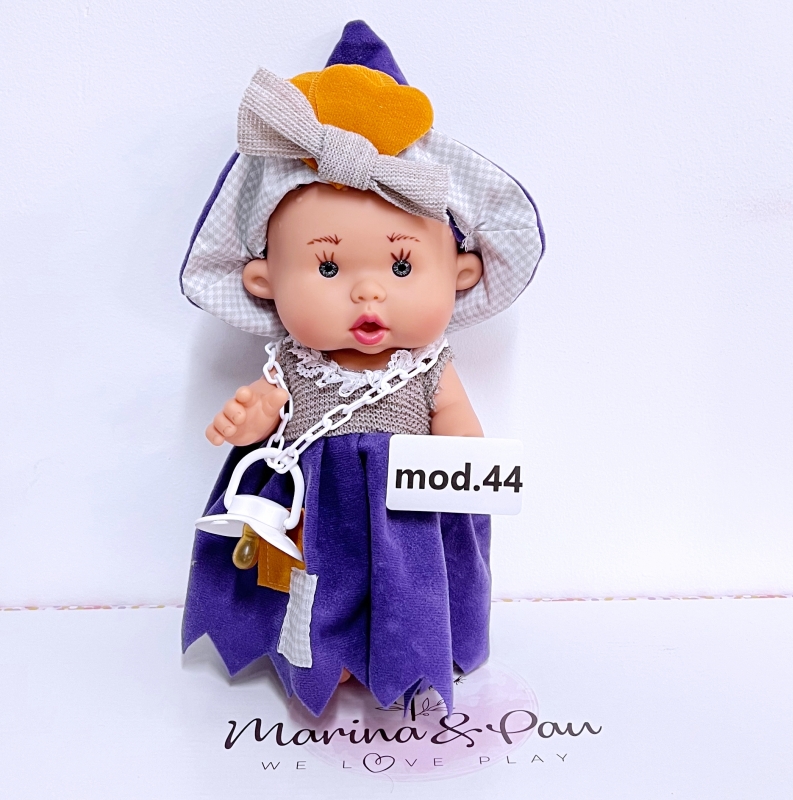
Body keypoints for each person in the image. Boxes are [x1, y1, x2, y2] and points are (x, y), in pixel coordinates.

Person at [180, 21, 544, 717]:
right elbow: (270, 406)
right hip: (310, 504)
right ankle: (319, 656)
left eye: (402, 266)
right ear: (264, 282)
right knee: (312, 581)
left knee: (405, 586)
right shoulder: (296, 364)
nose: (368, 291)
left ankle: (402, 652)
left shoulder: (428, 366)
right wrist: (251, 415)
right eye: (328, 267)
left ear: (462, 274)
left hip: (406, 507)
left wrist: (469, 464)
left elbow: (457, 424)